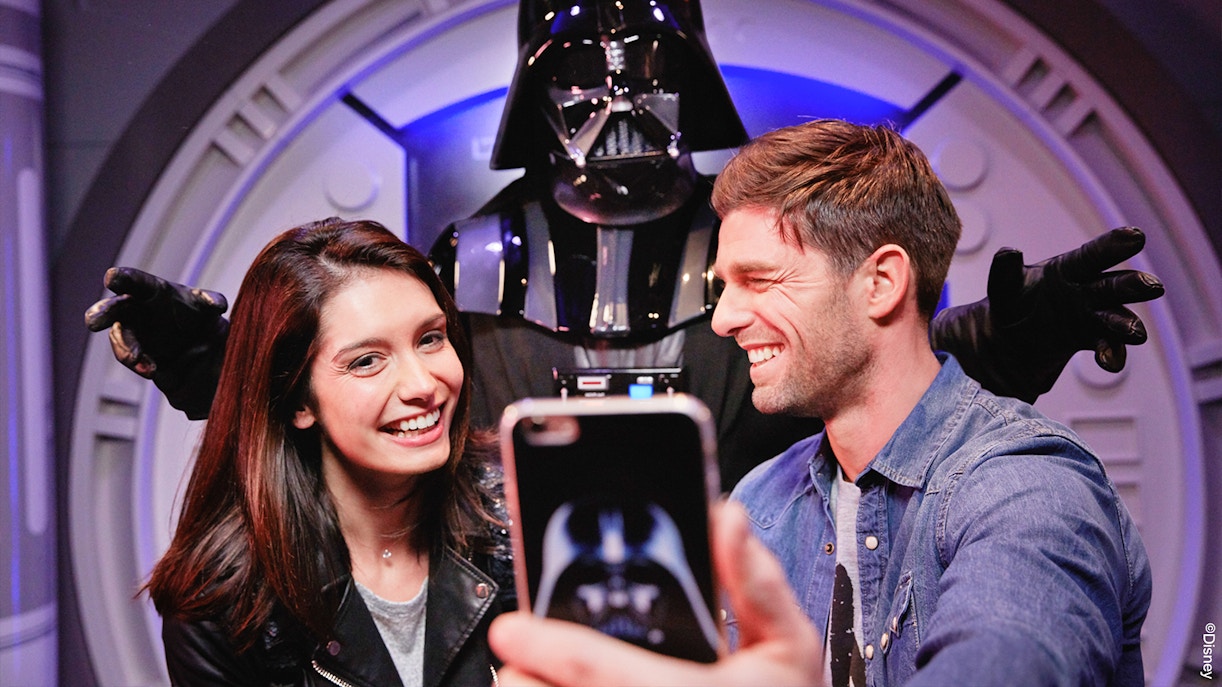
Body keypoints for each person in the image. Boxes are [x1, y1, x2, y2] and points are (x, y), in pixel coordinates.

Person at [84, 0, 1165, 491]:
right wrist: (223, 361)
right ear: (534, 95)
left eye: (642, 70)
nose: (616, 102)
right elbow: (368, 400)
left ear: (687, 76)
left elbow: (860, 368)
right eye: (584, 79)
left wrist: (1001, 343)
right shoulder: (463, 260)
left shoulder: (755, 250)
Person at [489, 119, 1154, 687]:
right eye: (726, 286)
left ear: (882, 282)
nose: (723, 320)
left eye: (761, 280)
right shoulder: (761, 500)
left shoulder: (1028, 488)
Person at [141, 218, 514, 686]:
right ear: (298, 401)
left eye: (430, 339)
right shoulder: (225, 607)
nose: (423, 385)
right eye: (366, 361)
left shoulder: (524, 522)